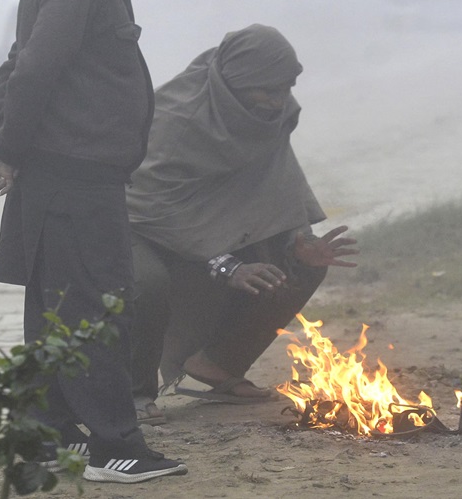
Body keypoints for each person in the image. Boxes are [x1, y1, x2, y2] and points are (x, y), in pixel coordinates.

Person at [0, 0, 187, 483]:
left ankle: (49, 438)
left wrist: (7, 143)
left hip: (61, 177)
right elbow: (34, 67)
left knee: (57, 314)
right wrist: (10, 147)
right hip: (73, 182)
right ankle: (116, 447)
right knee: (97, 312)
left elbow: (20, 64)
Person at [124, 24, 359, 424]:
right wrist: (226, 264)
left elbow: (276, 178)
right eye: (265, 91)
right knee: (147, 283)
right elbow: (148, 203)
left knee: (300, 266)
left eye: (284, 89)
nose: (276, 101)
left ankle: (216, 366)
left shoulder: (270, 111)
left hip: (207, 225)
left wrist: (298, 237)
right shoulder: (177, 120)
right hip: (135, 224)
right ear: (232, 83)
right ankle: (131, 393)